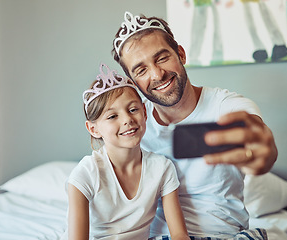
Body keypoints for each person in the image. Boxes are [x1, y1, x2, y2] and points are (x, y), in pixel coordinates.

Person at [112, 12, 277, 239]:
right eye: (141, 70)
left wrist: (260, 153)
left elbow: (259, 141)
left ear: (181, 53)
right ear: (133, 82)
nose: (157, 74)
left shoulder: (227, 108)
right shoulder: (133, 126)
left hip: (221, 234)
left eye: (162, 58)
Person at [62, 63, 190, 240]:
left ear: (144, 112)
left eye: (133, 109)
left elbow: (179, 234)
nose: (128, 120)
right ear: (93, 129)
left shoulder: (162, 167)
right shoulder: (86, 174)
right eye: (112, 116)